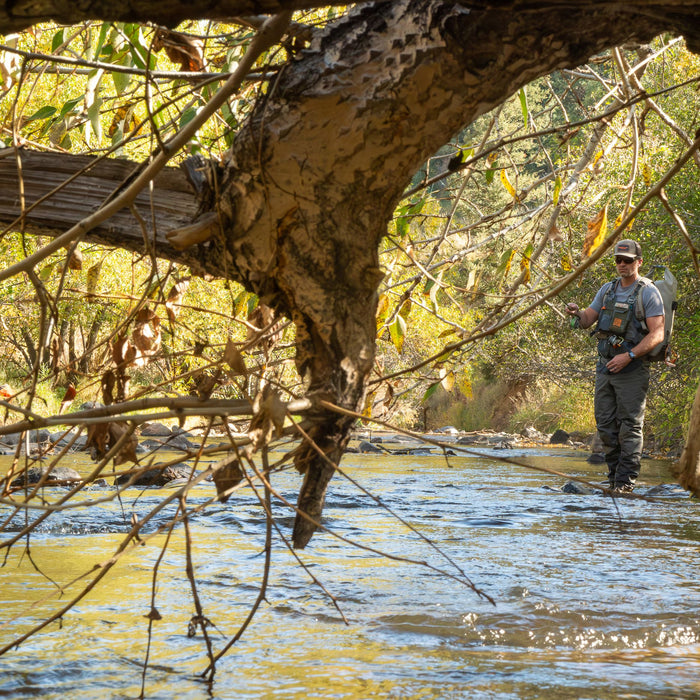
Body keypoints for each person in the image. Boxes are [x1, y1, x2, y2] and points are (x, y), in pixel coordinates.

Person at [566, 239, 665, 492]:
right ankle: (613, 479)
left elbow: (657, 334)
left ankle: (625, 484)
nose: (622, 265)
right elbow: (588, 319)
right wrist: (577, 313)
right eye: (618, 260)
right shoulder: (607, 290)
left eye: (628, 260)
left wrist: (629, 356)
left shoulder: (648, 292)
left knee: (630, 425)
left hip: (632, 368)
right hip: (605, 367)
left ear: (638, 262)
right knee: (605, 424)